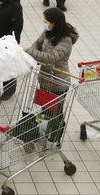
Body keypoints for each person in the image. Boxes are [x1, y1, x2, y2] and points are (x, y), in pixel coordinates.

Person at [25, 8, 78, 142]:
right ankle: (47, 132)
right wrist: (32, 50)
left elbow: (50, 57)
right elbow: (37, 43)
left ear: (55, 22)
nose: (44, 23)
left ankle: (55, 138)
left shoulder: (66, 40)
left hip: (58, 83)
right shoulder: (49, 31)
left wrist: (29, 51)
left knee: (55, 112)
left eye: (46, 21)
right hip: (44, 78)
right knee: (47, 109)